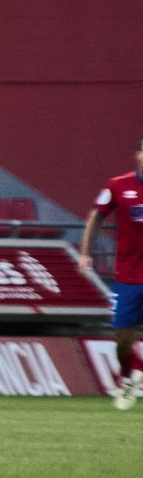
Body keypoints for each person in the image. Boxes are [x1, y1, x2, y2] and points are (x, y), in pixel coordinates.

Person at [78, 138, 143, 410]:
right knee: (122, 338)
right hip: (128, 274)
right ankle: (128, 378)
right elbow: (96, 217)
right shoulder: (118, 185)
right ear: (138, 155)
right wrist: (84, 253)